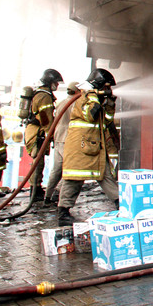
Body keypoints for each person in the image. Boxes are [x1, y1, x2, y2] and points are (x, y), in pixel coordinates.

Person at [58, 69, 120, 226]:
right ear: (97, 84)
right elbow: (90, 114)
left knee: (105, 175)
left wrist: (110, 103)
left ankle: (121, 204)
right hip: (80, 148)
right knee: (74, 179)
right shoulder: (83, 97)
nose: (107, 90)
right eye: (105, 86)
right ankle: (63, 212)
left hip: (93, 147)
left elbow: (105, 121)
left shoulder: (94, 99)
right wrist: (94, 95)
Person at [24, 68, 63, 202]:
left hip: (35, 130)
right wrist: (50, 134)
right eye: (55, 83)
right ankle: (35, 190)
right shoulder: (44, 96)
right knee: (38, 162)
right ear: (49, 82)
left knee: (39, 161)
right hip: (37, 132)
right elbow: (46, 119)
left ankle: (36, 188)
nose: (57, 86)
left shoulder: (43, 93)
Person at [42, 81, 80, 207]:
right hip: (67, 140)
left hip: (58, 138)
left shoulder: (61, 103)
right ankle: (57, 194)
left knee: (56, 170)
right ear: (76, 91)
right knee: (70, 170)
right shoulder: (75, 104)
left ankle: (48, 196)